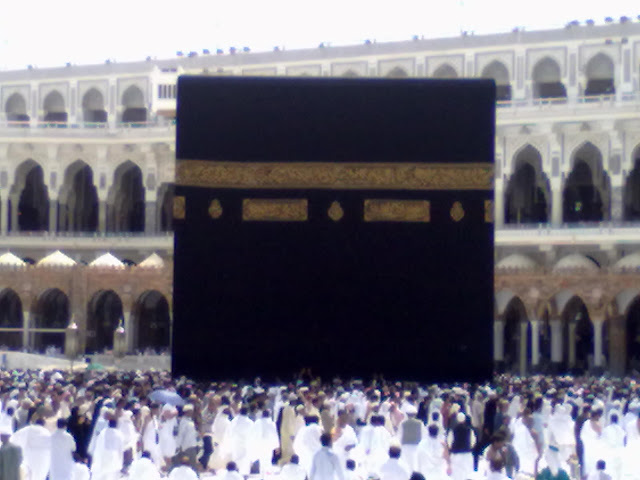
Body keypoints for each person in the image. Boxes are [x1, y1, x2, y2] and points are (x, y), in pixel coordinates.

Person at [225, 406, 255, 474]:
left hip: (236, 443)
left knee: (236, 458)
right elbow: (253, 435)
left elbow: (229, 432)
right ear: (247, 413)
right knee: (245, 460)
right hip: (246, 444)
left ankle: (236, 473)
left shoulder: (234, 421)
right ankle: (244, 474)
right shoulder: (250, 423)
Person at [396, 405, 425, 472]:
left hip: (405, 446)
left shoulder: (402, 423)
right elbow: (423, 435)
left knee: (406, 463)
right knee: (415, 463)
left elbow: (399, 435)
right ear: (415, 414)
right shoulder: (420, 423)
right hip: (416, 446)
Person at [447, 412, 475, 480]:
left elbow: (449, 442)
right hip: (467, 455)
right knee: (466, 474)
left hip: (456, 455)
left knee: (456, 475)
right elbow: (473, 442)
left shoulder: (453, 430)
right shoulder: (470, 430)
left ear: (457, 419)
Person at [252, 409, 280, 473]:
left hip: (260, 443)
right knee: (267, 459)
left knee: (261, 459)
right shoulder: (271, 423)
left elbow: (253, 433)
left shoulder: (257, 422)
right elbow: (274, 434)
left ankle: (262, 473)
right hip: (268, 444)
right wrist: (277, 446)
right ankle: (266, 473)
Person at [175, 404, 199, 470]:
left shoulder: (191, 421)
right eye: (190, 411)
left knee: (193, 465)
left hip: (192, 445)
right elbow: (181, 434)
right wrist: (178, 446)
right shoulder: (184, 421)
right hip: (186, 447)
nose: (192, 413)